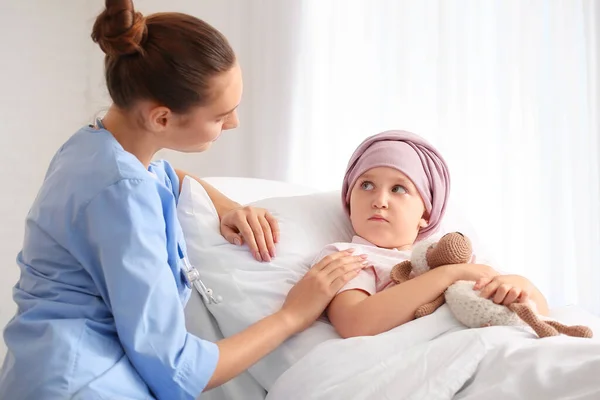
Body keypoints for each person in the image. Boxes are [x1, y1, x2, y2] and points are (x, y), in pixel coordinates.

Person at [0, 1, 368, 399]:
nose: (234, 124)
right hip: (82, 386)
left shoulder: (94, 147)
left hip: (43, 369)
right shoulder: (122, 197)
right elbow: (179, 370)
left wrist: (227, 206)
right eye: (220, 115)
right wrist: (293, 315)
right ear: (161, 118)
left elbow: (164, 176)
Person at [313, 130, 550, 338]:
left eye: (398, 189)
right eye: (366, 185)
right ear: (348, 199)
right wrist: (448, 275)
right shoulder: (347, 257)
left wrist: (519, 285)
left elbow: (541, 313)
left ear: (426, 211)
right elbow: (356, 323)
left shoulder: (450, 253)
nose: (379, 201)